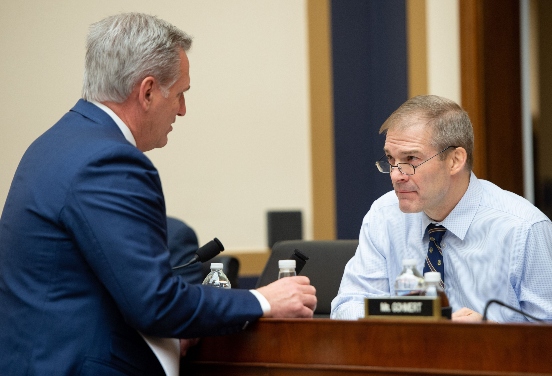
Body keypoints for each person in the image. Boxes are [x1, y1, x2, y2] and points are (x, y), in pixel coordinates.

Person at [0, 13, 316, 376]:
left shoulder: (53, 144)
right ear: (147, 91)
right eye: (180, 94)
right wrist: (262, 301)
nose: (182, 110)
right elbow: (155, 303)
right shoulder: (109, 160)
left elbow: (93, 290)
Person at [330, 95, 552, 323]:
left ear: (454, 160)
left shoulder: (525, 229)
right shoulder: (384, 216)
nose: (396, 175)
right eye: (391, 160)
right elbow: (346, 306)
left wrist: (492, 337)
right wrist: (398, 321)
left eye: (411, 160)